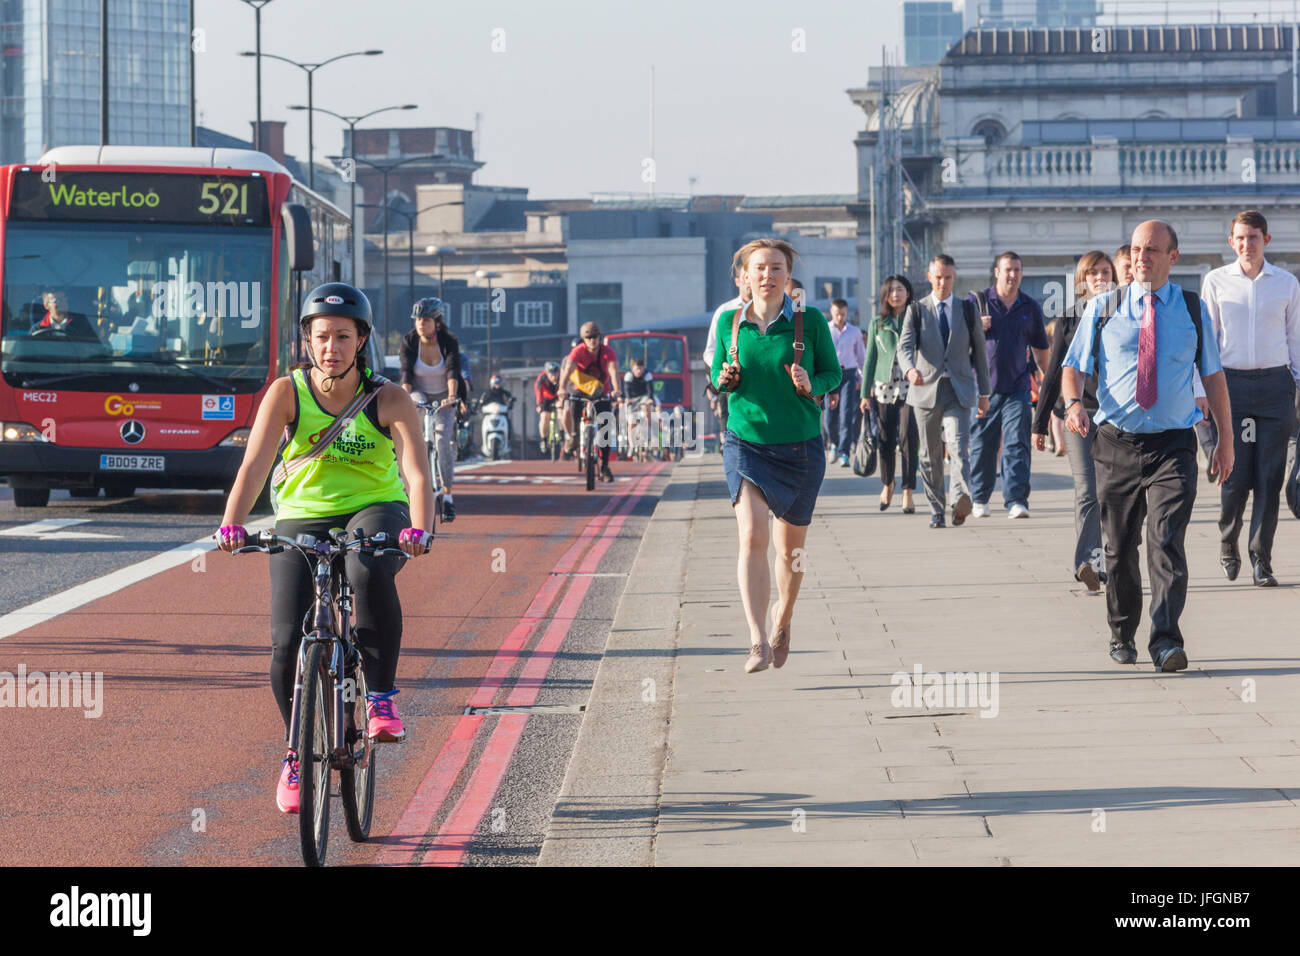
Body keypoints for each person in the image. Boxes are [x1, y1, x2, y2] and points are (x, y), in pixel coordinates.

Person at [215, 282, 434, 813]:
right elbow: (254, 463)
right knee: (286, 642)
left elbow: (416, 473)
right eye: (320, 337)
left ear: (361, 340)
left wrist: (421, 528)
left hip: (375, 508)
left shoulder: (389, 396)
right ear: (307, 342)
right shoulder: (286, 393)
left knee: (365, 569)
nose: (330, 346)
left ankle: (380, 698)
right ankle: (296, 751)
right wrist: (232, 524)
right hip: (302, 516)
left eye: (342, 336)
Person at [1062, 220, 1232, 671]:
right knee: (1118, 550)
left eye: (1152, 250)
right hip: (1115, 444)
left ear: (1172, 257)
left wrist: (1226, 441)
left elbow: (1214, 379)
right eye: (1137, 250)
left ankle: (1166, 641)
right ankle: (1122, 634)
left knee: (1166, 541)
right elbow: (1073, 368)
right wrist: (1074, 403)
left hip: (1173, 446)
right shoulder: (1102, 307)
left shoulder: (1192, 310)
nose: (1141, 258)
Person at [712, 238, 840, 674]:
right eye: (759, 268)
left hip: (800, 447)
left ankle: (782, 620)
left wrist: (811, 384)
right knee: (752, 537)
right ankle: (755, 640)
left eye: (776, 268)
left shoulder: (811, 322)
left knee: (790, 553)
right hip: (744, 442)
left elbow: (833, 372)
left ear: (789, 276)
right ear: (745, 276)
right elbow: (717, 377)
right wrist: (726, 378)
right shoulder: (730, 323)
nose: (767, 275)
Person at [1201, 209, 1300, 587]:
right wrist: (1202, 392)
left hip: (1275, 389)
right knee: (1237, 476)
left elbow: (1295, 341)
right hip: (1234, 391)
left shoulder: (1286, 283)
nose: (1246, 244)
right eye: (1240, 238)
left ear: (1266, 241)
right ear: (1231, 243)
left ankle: (1262, 558)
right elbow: (1208, 343)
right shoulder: (1216, 282)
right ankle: (1229, 542)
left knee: (1269, 478)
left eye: (1253, 237)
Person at [1033, 250, 1116, 591]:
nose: (1100, 278)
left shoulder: (1126, 315)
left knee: (1110, 494)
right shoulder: (1069, 319)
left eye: (1105, 272)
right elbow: (1053, 375)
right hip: (1078, 416)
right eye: (1092, 273)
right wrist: (1039, 425)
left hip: (1117, 418)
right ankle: (1088, 563)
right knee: (1087, 491)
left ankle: (1113, 561)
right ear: (1082, 282)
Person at [898, 254, 991, 529]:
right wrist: (909, 370)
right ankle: (936, 508)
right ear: (930, 277)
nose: (943, 282)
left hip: (959, 390)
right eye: (938, 277)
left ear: (954, 278)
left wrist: (984, 392)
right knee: (929, 455)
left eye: (948, 277)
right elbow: (904, 347)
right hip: (925, 389)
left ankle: (960, 498)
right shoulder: (916, 310)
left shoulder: (967, 310)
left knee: (959, 448)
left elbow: (981, 355)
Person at [967, 251, 1051, 519]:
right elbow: (956, 344)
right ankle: (979, 498)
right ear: (997, 272)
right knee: (983, 445)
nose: (1012, 275)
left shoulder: (1030, 307)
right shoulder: (976, 303)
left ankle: (1016, 499)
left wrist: (1050, 383)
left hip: (1018, 388)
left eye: (1017, 270)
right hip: (983, 390)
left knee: (1017, 444)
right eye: (1007, 269)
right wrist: (976, 329)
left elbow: (1040, 349)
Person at [860, 274, 919, 513]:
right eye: (891, 290)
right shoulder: (878, 323)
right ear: (885, 295)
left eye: (900, 289)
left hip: (910, 385)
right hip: (884, 387)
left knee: (908, 437)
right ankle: (887, 484)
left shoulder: (916, 318)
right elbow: (870, 359)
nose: (896, 294)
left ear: (908, 293)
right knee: (884, 439)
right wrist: (865, 394)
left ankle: (907, 491)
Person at [400, 296, 461, 523]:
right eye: (417, 320)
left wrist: (453, 396)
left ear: (436, 321)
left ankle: (447, 496)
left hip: (445, 395)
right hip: (419, 393)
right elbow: (406, 374)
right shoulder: (409, 341)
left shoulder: (448, 341)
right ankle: (409, 487)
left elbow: (453, 371)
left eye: (425, 320)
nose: (420, 324)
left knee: (442, 440)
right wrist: (405, 398)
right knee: (413, 434)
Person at [560, 321, 622, 482]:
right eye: (588, 337)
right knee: (574, 408)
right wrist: (562, 388)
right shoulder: (577, 352)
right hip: (581, 390)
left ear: (599, 337)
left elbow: (613, 371)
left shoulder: (608, 352)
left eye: (595, 337)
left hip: (603, 392)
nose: (592, 340)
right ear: (583, 339)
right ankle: (574, 435)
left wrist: (617, 389)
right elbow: (567, 371)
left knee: (605, 428)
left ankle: (605, 467)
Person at [704, 254, 751, 446]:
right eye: (745, 278)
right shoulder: (724, 312)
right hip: (732, 380)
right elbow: (710, 351)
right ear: (737, 281)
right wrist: (720, 372)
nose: (749, 282)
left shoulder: (774, 311)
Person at [825, 298, 866, 468]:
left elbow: (861, 358)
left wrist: (862, 380)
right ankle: (833, 443)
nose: (840, 317)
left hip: (848, 374)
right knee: (829, 416)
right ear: (832, 312)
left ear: (846, 313)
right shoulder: (826, 329)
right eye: (836, 314)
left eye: (842, 314)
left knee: (847, 413)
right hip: (830, 374)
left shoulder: (855, 332)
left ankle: (844, 452)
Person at [29, 288, 99, 341]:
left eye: (64, 299)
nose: (63, 303)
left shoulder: (82, 326)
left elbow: (94, 348)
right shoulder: (37, 329)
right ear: (46, 305)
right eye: (57, 300)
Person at [534, 361, 561, 453]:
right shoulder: (542, 378)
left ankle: (563, 434)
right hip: (546, 398)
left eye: (555, 373)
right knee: (545, 416)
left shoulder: (562, 377)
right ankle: (543, 439)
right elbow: (538, 392)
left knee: (563, 412)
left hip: (558, 396)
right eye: (551, 374)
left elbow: (566, 389)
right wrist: (539, 405)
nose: (553, 376)